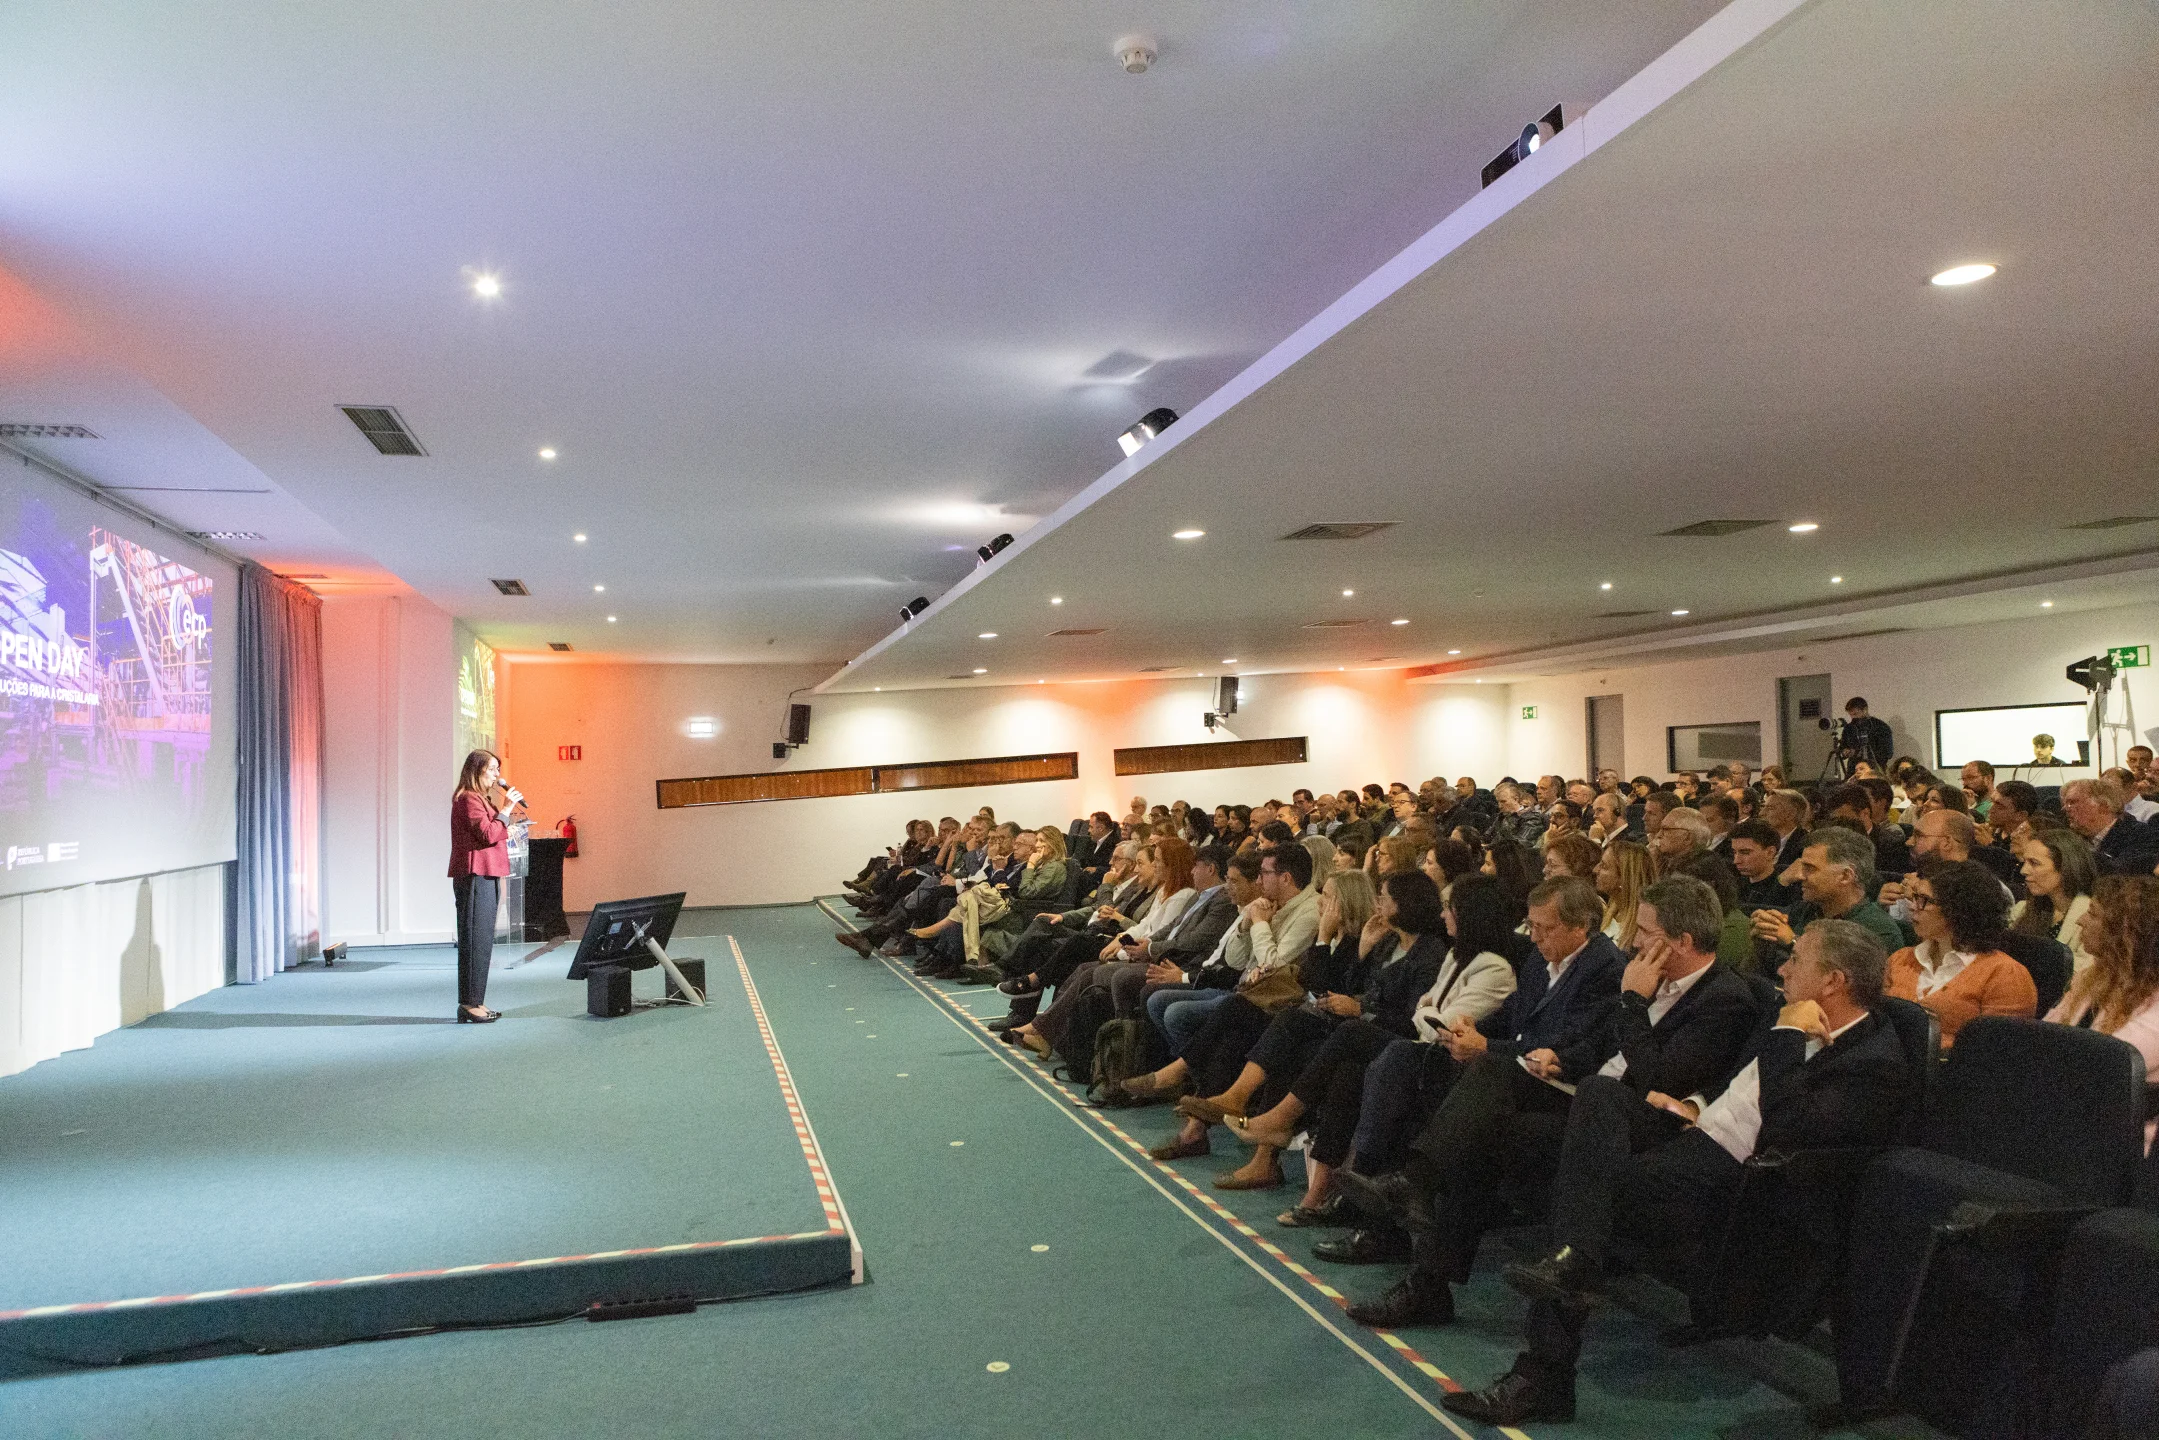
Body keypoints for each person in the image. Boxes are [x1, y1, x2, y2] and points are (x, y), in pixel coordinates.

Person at [1442, 921, 1913, 1427]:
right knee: (1592, 1105)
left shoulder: (1872, 1060)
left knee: (1584, 1191)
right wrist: (1694, 1104)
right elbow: (1736, 1088)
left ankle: (1545, 1369)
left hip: (1735, 1186)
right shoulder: (1796, 1016)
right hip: (1692, 1138)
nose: (1782, 967)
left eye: (1796, 960)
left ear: (1833, 982)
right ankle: (1564, 1266)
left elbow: (1786, 1127)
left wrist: (1787, 1035)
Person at [1339, 875, 1760, 1329]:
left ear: (1681, 942)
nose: (1634, 941)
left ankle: (1416, 1193)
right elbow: (1600, 1046)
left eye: (1645, 932)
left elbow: (1658, 1079)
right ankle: (1426, 1274)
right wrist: (1561, 1058)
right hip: (1584, 1096)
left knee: (1492, 1105)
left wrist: (1634, 1002)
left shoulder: (1724, 1000)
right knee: (1482, 1111)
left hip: (1631, 1127)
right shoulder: (1649, 974)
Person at [2045, 875, 2159, 1155]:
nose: (2080, 921)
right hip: (2066, 1120)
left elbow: (2101, 1066)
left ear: (2127, 932)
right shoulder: (2094, 978)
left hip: (2118, 1150)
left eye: (2093, 914)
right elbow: (2042, 1038)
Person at [1885, 861, 2036, 1046]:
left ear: (1959, 909)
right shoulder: (1901, 959)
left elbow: (1998, 1054)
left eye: (1924, 900)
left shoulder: (2004, 975)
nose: (1913, 906)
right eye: (1914, 897)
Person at [1749, 827, 1905, 958]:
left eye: (1810, 868)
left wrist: (1794, 942)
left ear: (1845, 876)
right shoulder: (1802, 911)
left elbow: (1846, 985)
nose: (1800, 875)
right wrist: (1763, 924)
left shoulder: (1879, 931)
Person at [448, 749, 521, 1023]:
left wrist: (507, 826)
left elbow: (492, 832)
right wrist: (506, 810)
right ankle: (469, 1003)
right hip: (474, 875)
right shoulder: (468, 800)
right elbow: (488, 833)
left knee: (482, 942)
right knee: (473, 941)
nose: (496, 775)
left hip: (487, 873)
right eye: (492, 769)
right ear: (476, 770)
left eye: (497, 769)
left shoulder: (480, 799)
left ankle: (475, 1000)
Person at [2011, 828, 2098, 973]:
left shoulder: (2092, 916)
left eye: (2034, 863)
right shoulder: (2022, 909)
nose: (2024, 871)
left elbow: (2088, 970)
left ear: (2065, 867)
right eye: (2025, 862)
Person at [2064, 778, 2159, 876]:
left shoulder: (2143, 836)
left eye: (2072, 802)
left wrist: (2081, 857)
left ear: (2103, 806)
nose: (2065, 808)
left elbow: (2123, 874)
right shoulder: (2072, 838)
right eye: (2065, 803)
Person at [1593, 840, 1654, 952]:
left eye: (1604, 866)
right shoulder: (1606, 915)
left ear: (1623, 878)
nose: (1595, 870)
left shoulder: (1642, 929)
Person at [1728, 819, 1795, 910]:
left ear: (1770, 852)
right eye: (1734, 852)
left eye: (1745, 852)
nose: (1736, 860)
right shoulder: (1732, 885)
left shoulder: (1790, 889)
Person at [1840, 697, 1894, 775]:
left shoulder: (1881, 727)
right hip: (1854, 771)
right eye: (1850, 715)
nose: (1853, 718)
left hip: (1875, 770)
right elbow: (1843, 745)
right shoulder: (1849, 728)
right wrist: (1845, 751)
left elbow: (1888, 753)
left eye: (1855, 714)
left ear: (1865, 710)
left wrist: (1859, 753)